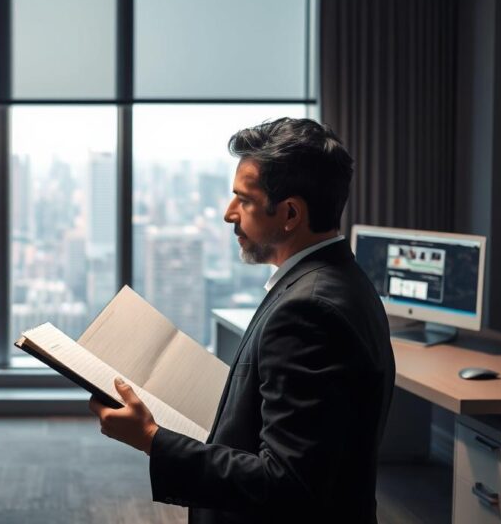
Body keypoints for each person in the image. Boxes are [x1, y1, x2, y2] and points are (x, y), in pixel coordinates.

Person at [89, 118, 396, 523]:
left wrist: (151, 439)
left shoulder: (309, 310)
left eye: (244, 200)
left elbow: (287, 483)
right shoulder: (337, 279)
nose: (228, 214)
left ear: (289, 213)